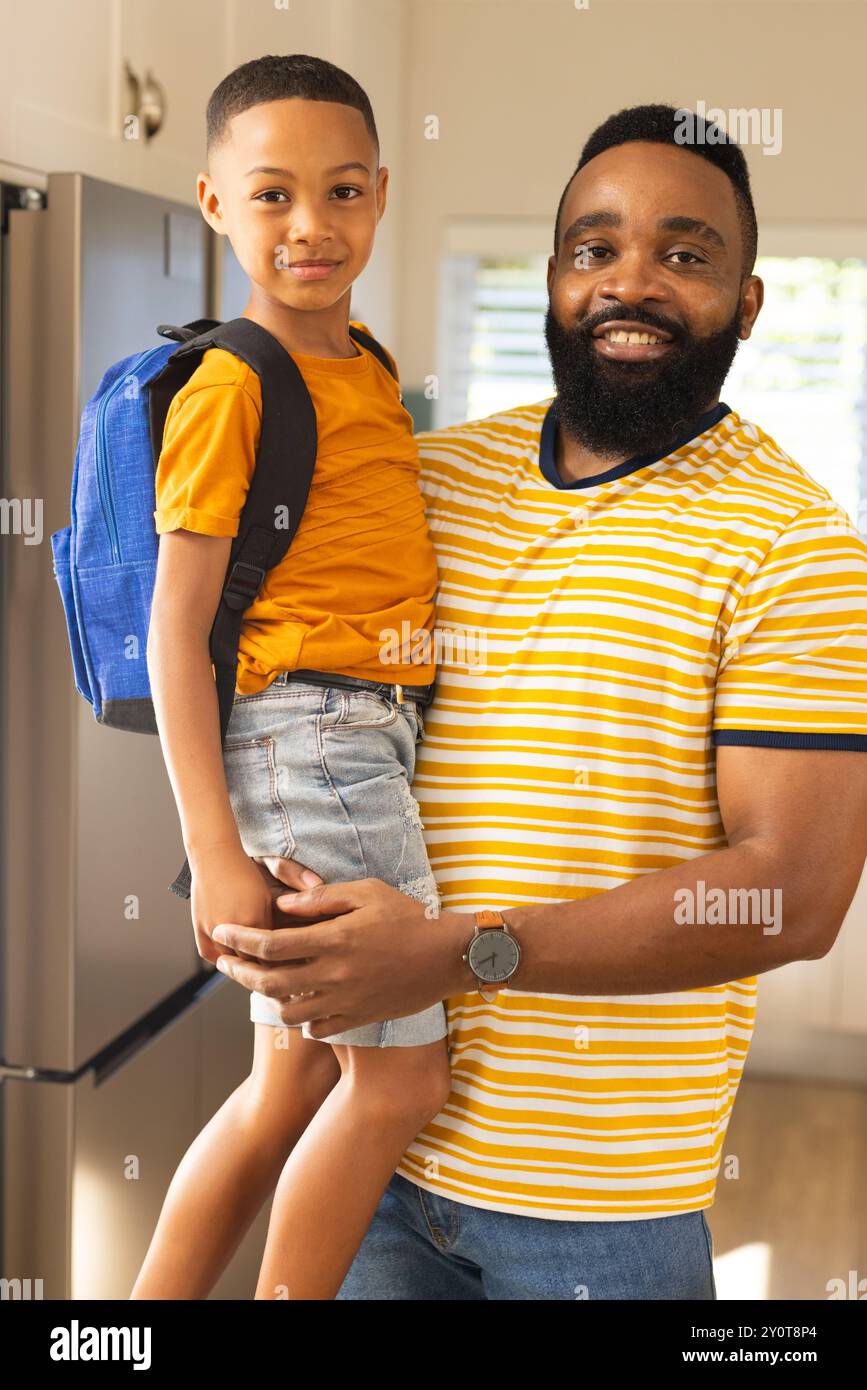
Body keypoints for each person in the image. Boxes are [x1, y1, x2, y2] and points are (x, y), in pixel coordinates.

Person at [209, 104, 867, 1300]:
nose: (632, 281)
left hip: (598, 1213)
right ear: (552, 279)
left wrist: (457, 953)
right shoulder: (428, 476)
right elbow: (267, 660)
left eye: (685, 252)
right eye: (594, 247)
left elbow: (795, 894)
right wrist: (222, 847)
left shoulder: (798, 546)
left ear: (750, 303)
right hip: (370, 1157)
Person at [130, 54, 451, 1302]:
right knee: (401, 1080)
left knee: (295, 1077)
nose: (311, 226)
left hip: (356, 731)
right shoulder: (231, 385)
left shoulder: (365, 363)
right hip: (313, 735)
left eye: (341, 192)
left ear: (379, 193)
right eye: (271, 196)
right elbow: (178, 626)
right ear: (215, 204)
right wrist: (212, 847)